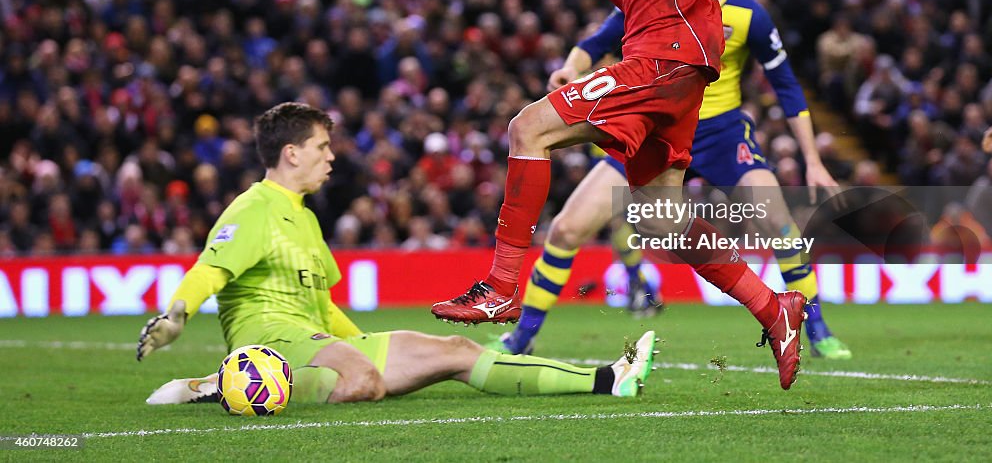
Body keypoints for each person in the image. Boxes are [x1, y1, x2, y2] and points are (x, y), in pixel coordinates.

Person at [432, 0, 823, 389]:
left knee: (527, 128)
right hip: (667, 66)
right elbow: (642, 6)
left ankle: (502, 289)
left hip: (667, 60)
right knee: (659, 223)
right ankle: (775, 308)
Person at [136, 103, 656, 404]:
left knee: (455, 350)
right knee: (363, 378)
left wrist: (358, 339)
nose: (332, 156)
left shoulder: (308, 219)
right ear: (291, 153)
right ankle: (225, 386)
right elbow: (211, 268)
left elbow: (324, 311)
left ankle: (609, 380)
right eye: (322, 147)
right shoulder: (253, 208)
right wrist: (177, 314)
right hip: (269, 343)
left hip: (312, 338)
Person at [495, 0, 851, 360]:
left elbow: (787, 87)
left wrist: (812, 160)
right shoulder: (653, 1)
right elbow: (595, 43)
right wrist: (571, 68)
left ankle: (815, 327)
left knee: (778, 223)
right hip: (652, 129)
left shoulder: (748, 13)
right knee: (568, 228)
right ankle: (522, 336)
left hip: (720, 134)